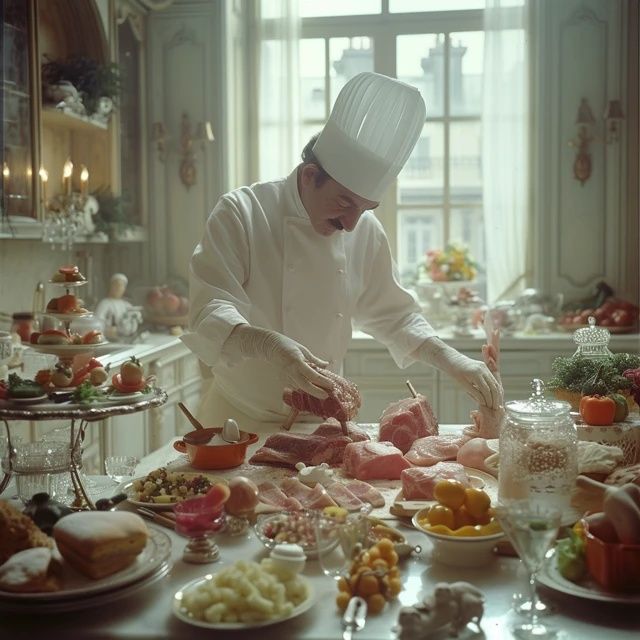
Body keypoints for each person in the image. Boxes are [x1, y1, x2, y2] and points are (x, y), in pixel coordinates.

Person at [182, 72, 500, 432]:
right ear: (309, 176)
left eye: (365, 209)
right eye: (344, 203)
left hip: (324, 425)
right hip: (238, 422)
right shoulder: (242, 212)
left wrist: (451, 359)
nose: (351, 224)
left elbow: (394, 316)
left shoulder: (365, 230)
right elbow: (210, 310)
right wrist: (267, 344)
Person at [95, 273, 140, 338]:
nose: (118, 288)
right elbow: (97, 323)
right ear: (111, 286)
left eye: (121, 286)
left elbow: (134, 318)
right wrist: (106, 330)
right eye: (116, 285)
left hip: (125, 339)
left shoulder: (126, 304)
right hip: (110, 340)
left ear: (124, 289)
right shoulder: (105, 303)